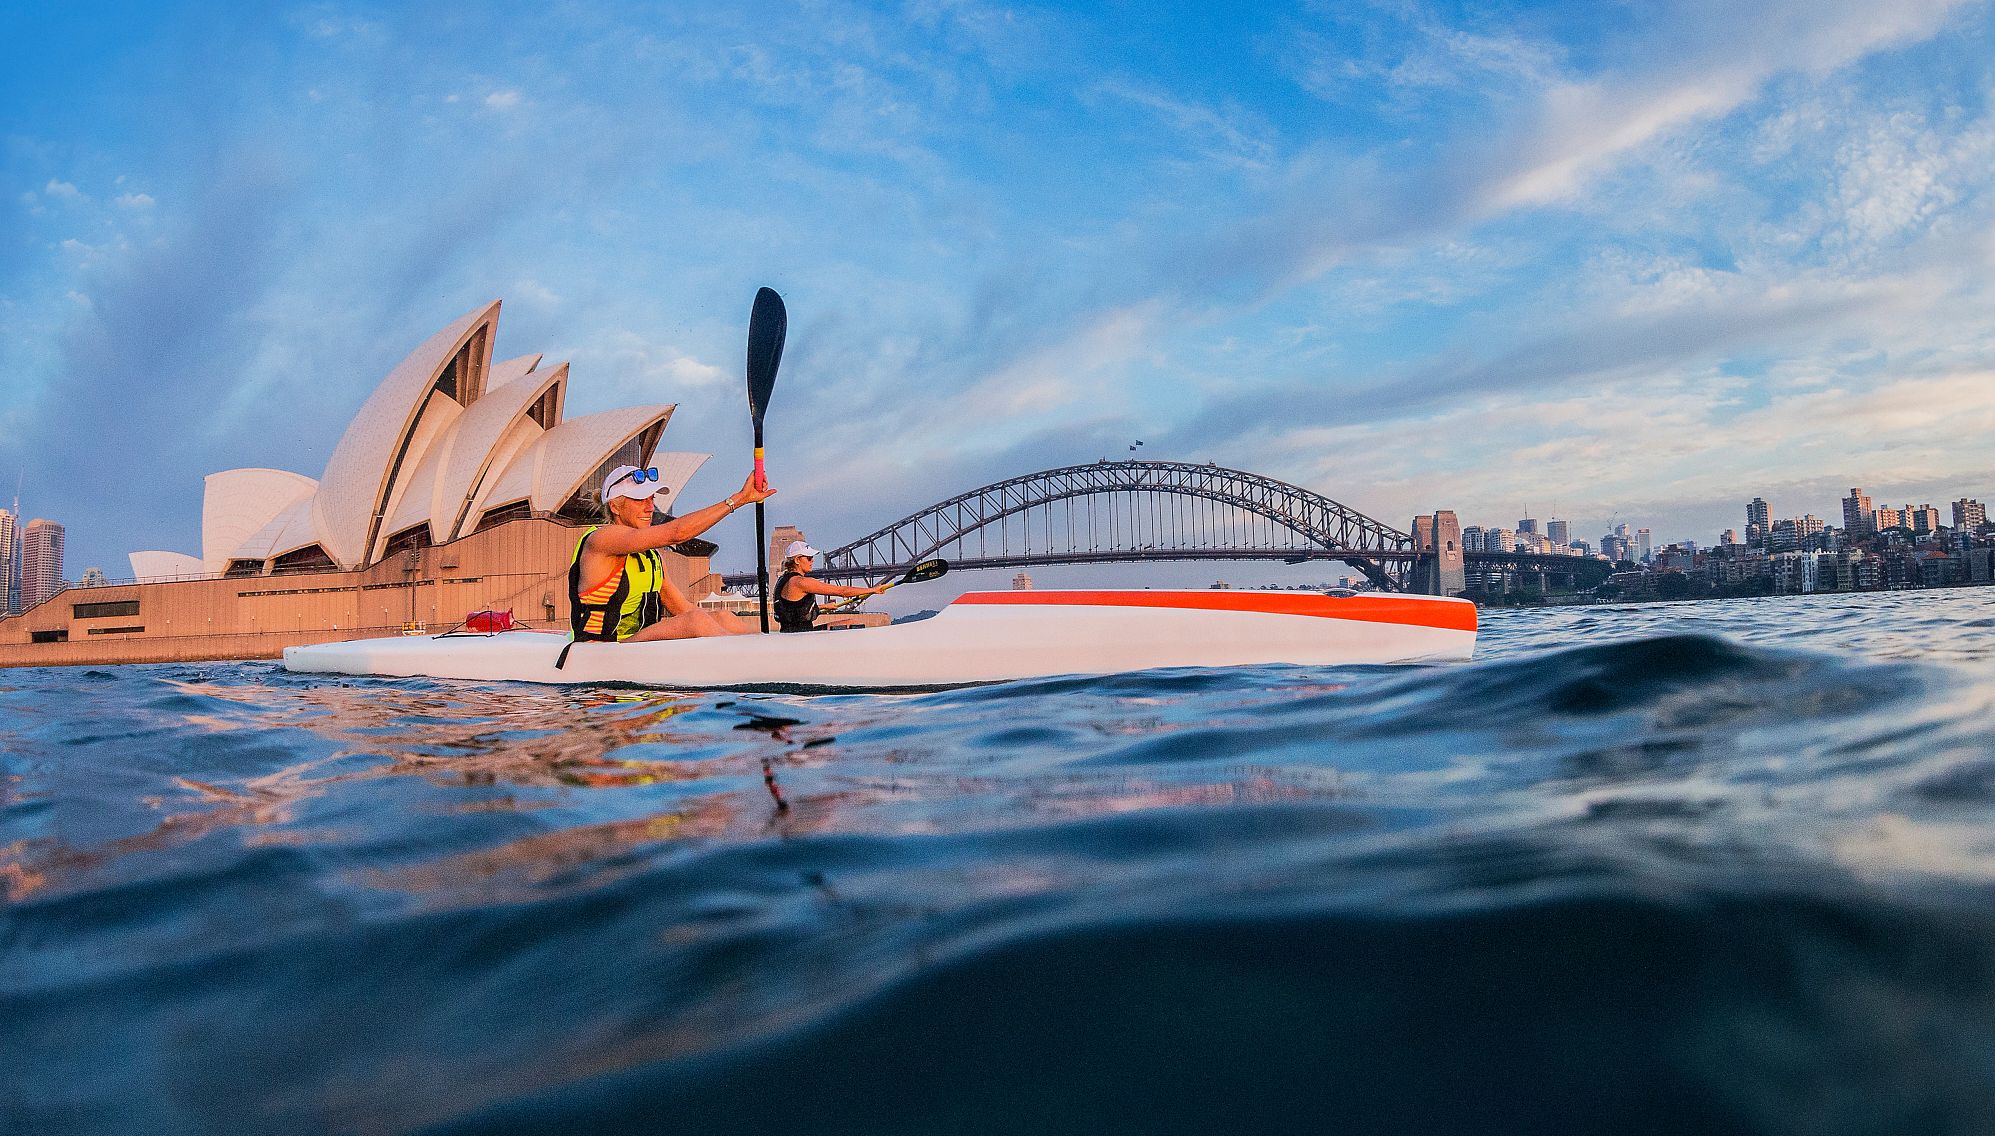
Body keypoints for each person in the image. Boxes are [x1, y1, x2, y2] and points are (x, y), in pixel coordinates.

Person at [567, 463, 774, 646]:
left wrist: (718, 624)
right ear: (615, 506)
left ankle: (770, 649)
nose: (650, 508)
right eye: (640, 500)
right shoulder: (602, 539)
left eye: (652, 499)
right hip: (598, 649)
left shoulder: (651, 557)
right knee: (696, 621)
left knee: (723, 617)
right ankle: (746, 660)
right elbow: (676, 533)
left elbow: (683, 608)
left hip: (631, 649)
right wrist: (738, 500)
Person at [774, 541, 888, 632]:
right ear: (798, 560)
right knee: (852, 623)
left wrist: (825, 606)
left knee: (849, 621)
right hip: (801, 637)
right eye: (809, 558)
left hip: (789, 633)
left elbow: (793, 608)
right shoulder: (801, 582)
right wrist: (873, 589)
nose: (812, 561)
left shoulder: (783, 580)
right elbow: (843, 591)